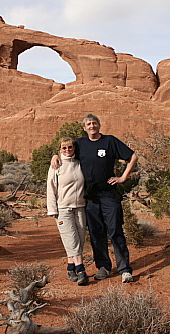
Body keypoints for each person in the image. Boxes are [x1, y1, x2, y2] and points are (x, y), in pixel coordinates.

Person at [52, 114, 138, 283]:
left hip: (109, 194)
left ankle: (124, 269)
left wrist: (123, 177)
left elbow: (133, 157)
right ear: (84, 128)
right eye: (88, 124)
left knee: (115, 231)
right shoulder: (80, 144)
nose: (92, 126)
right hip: (90, 197)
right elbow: (66, 150)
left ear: (99, 125)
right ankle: (103, 267)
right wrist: (55, 156)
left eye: (94, 123)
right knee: (96, 233)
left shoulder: (110, 141)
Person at [46, 137, 89, 286]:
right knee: (72, 239)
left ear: (74, 148)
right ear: (60, 149)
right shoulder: (56, 165)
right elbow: (50, 187)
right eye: (64, 148)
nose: (67, 150)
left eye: (70, 147)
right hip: (63, 209)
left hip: (80, 207)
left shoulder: (79, 163)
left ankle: (71, 267)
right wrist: (52, 209)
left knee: (80, 239)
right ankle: (81, 270)